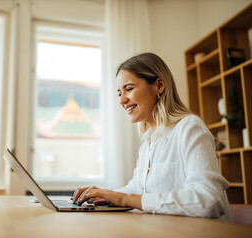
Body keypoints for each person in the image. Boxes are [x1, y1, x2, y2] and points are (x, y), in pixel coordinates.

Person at [72, 52, 233, 221]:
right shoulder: (148, 142)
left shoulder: (189, 127)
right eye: (120, 93)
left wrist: (125, 199)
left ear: (159, 85)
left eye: (129, 89)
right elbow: (138, 189)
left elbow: (208, 201)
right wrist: (107, 195)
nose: (122, 100)